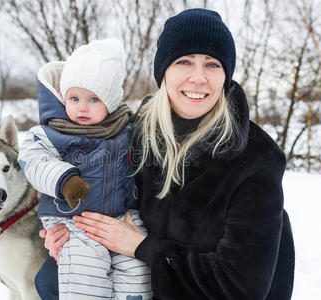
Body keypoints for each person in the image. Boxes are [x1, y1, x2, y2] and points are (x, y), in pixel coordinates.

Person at [38, 8, 295, 300]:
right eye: (184, 62)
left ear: (225, 75)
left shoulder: (255, 159)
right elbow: (99, 191)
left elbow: (240, 287)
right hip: (148, 284)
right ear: (164, 71)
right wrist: (69, 229)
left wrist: (143, 247)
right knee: (50, 277)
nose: (198, 78)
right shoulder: (138, 132)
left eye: (212, 65)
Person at [18, 38, 152, 300]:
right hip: (74, 222)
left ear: (110, 102)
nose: (81, 107)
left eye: (93, 99)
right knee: (85, 275)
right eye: (75, 97)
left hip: (123, 218)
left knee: (137, 270)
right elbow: (33, 161)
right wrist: (64, 179)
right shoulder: (51, 133)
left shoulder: (126, 131)